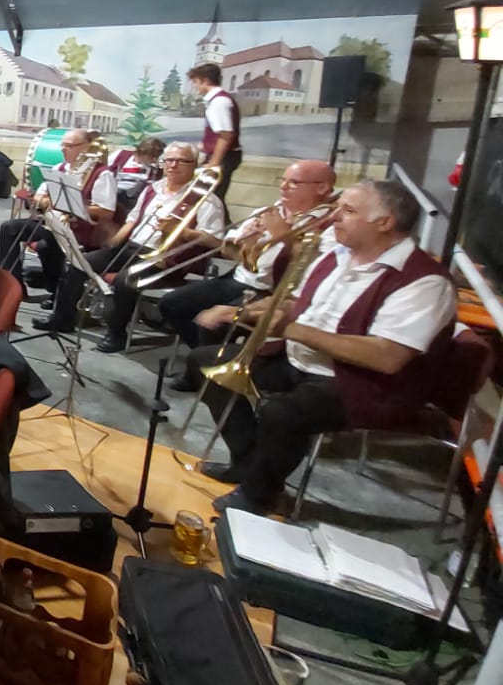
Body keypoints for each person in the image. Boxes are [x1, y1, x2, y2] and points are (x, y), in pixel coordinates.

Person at [187, 180, 455, 515]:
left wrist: (293, 329)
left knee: (282, 412)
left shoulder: (424, 282)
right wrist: (241, 311)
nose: (334, 217)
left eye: (348, 210)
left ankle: (259, 495)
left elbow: (387, 356)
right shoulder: (336, 255)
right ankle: (248, 464)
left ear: (384, 222)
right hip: (299, 360)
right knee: (204, 364)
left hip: (361, 383)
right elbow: (296, 301)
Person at [160, 160, 337, 389]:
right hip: (239, 277)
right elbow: (230, 253)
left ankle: (205, 373)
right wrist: (245, 244)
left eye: (293, 183)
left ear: (321, 187)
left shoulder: (328, 225)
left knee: (211, 324)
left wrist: (283, 234)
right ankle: (204, 364)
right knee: (171, 304)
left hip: (269, 291)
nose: (283, 187)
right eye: (282, 180)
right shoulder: (269, 211)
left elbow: (314, 268)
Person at [35, 141, 226, 350]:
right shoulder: (153, 189)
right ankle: (64, 319)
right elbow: (133, 219)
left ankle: (116, 333)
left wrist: (182, 231)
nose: (173, 165)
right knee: (77, 263)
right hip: (133, 247)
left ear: (194, 165)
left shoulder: (206, 200)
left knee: (125, 281)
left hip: (167, 259)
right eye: (169, 160)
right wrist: (116, 239)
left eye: (182, 161)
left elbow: (216, 242)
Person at [0, 129, 117, 296]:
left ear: (84, 147)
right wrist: (42, 200)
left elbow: (106, 212)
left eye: (69, 146)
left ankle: (56, 292)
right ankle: (12, 287)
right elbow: (40, 193)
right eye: (63, 145)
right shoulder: (59, 168)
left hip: (79, 230)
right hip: (52, 223)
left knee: (48, 246)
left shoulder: (102, 174)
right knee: (9, 228)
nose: (63, 149)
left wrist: (72, 205)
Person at [187, 63, 242, 200]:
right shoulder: (217, 100)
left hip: (224, 158)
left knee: (211, 200)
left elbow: (225, 135)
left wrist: (214, 163)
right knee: (208, 198)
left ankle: (222, 222)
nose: (194, 86)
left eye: (195, 82)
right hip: (221, 156)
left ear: (205, 81)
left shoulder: (219, 102)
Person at [107, 137, 164, 215]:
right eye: (152, 156)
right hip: (111, 197)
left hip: (131, 205)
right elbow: (104, 171)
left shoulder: (155, 169)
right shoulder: (120, 155)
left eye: (156, 157)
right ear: (143, 153)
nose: (154, 159)